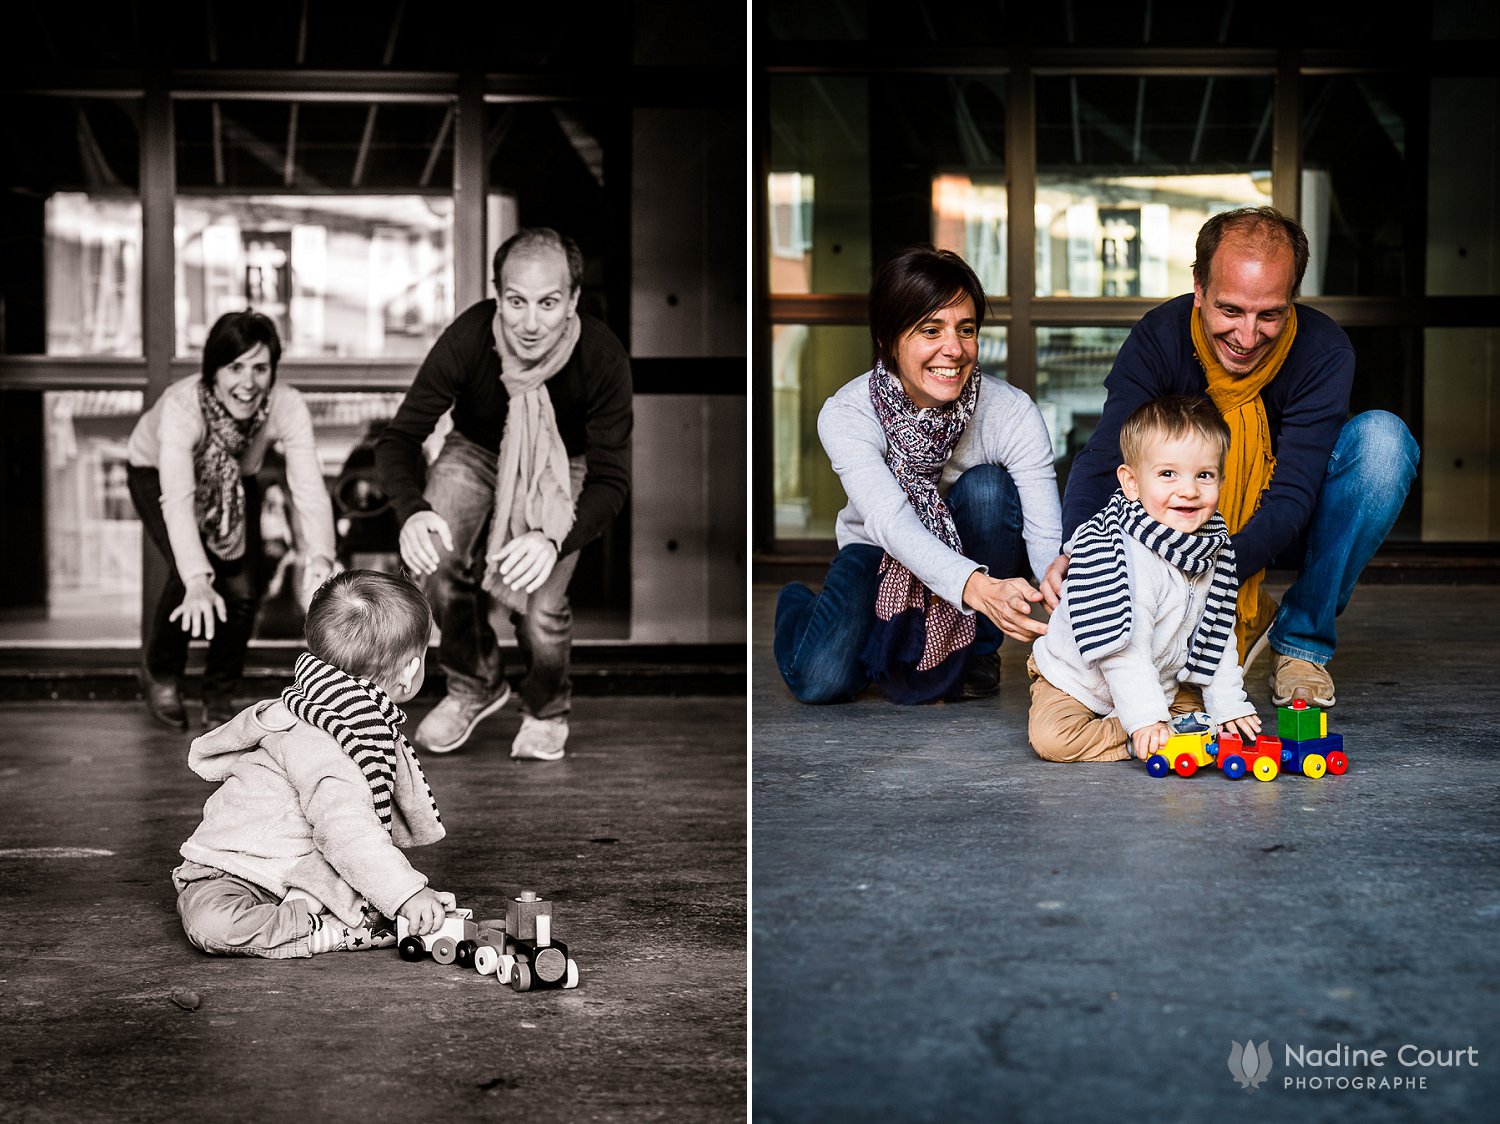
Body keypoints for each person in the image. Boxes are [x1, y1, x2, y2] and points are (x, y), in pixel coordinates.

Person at [1040, 206, 1419, 708]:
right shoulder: (1159, 336)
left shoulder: (1324, 350)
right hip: (1169, 533)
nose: (1247, 336)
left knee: (1384, 444)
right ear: (1199, 289)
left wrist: (1209, 577)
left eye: (1270, 315)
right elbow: (1107, 455)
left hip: (1286, 526)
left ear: (1292, 302)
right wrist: (1080, 553)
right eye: (1231, 310)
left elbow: (1293, 495)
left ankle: (1301, 641)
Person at [375, 228, 632, 759]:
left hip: (566, 465)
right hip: (475, 450)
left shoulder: (602, 358)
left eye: (548, 303)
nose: (531, 323)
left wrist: (551, 541)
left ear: (573, 300)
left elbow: (611, 479)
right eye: (516, 302)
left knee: (542, 608)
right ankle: (475, 684)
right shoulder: (469, 338)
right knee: (436, 561)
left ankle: (546, 708)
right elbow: (399, 438)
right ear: (497, 295)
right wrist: (413, 511)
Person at [774, 245, 1062, 705]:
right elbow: (890, 522)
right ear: (889, 338)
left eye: (966, 330)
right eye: (931, 330)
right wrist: (978, 588)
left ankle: (977, 650)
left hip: (971, 546)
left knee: (989, 489)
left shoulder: (1010, 411)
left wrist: (1065, 604)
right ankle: (797, 604)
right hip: (877, 549)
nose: (954, 349)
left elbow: (1046, 539)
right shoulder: (848, 413)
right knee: (820, 682)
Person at [171, 569, 449, 958]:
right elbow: (347, 833)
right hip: (234, 874)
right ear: (409, 670)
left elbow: (349, 832)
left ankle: (337, 923)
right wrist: (407, 894)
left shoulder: (323, 712)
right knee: (213, 923)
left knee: (214, 924)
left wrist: (407, 892)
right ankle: (343, 925)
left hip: (291, 875)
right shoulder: (336, 737)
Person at [127, 309, 336, 731]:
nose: (248, 382)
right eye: (235, 367)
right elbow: (180, 502)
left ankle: (219, 692)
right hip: (156, 475)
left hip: (237, 478)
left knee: (244, 585)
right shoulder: (183, 408)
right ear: (214, 370)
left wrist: (322, 556)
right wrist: (199, 579)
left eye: (260, 368)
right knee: (185, 574)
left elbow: (308, 486)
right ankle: (161, 674)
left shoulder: (286, 405)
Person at [1028, 395, 1262, 762]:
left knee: (1216, 724)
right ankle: (1150, 731)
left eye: (1205, 475)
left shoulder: (1213, 548)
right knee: (1053, 739)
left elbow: (1218, 636)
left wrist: (1230, 704)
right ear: (1132, 483)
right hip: (1077, 681)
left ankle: (1155, 728)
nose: (1189, 490)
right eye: (1168, 474)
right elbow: (1123, 650)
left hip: (1160, 679)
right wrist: (1147, 718)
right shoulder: (1117, 554)